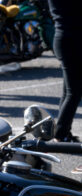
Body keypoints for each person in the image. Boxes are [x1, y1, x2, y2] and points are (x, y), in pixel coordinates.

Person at [48, 0, 82, 142]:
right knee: (74, 92)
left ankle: (62, 132)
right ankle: (61, 135)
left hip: (65, 39)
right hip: (71, 40)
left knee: (68, 91)